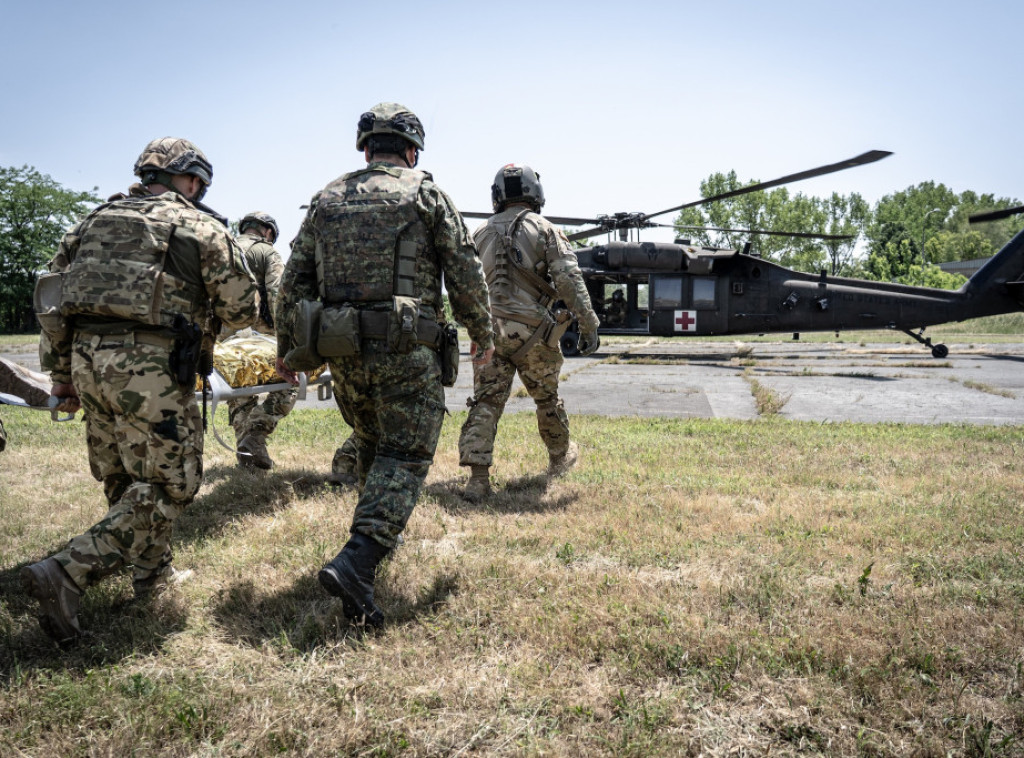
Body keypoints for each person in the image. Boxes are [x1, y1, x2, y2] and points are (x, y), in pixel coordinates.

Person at [23, 137, 259, 643]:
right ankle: (66, 572)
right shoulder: (199, 225)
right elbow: (242, 309)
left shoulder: (89, 223)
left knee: (126, 477)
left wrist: (61, 374)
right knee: (173, 483)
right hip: (152, 367)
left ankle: (153, 574)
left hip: (88, 362)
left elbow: (51, 303)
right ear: (191, 180)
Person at [276, 102, 493, 626]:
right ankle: (359, 559)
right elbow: (464, 270)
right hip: (405, 349)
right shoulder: (425, 194)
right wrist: (482, 333)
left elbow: (293, 281)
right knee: (405, 453)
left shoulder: (326, 198)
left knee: (373, 446)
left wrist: (287, 350)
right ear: (412, 150)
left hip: (343, 353)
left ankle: (365, 561)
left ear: (366, 148)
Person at [458, 164, 601, 502]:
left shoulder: (478, 233)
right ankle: (559, 459)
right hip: (534, 334)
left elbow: (462, 285)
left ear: (497, 196)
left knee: (485, 402)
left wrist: (473, 326)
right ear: (535, 193)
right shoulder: (546, 230)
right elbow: (569, 281)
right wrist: (589, 324)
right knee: (547, 399)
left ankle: (478, 480)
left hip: (489, 333)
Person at [226, 211, 297, 470]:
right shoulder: (267, 252)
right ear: (267, 232)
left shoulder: (223, 247)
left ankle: (249, 455)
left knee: (239, 394)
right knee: (288, 384)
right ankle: (256, 434)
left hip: (224, 341)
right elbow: (278, 296)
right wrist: (286, 340)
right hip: (258, 337)